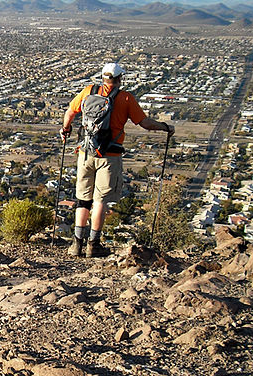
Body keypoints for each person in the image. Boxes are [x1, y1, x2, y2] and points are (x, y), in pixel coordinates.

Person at [60, 62, 174, 258]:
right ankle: (93, 245)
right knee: (100, 201)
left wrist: (66, 130)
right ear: (120, 79)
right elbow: (144, 123)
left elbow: (70, 113)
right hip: (109, 156)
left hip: (85, 153)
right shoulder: (126, 98)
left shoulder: (88, 91)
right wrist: (165, 127)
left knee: (83, 200)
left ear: (102, 77)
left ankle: (76, 244)